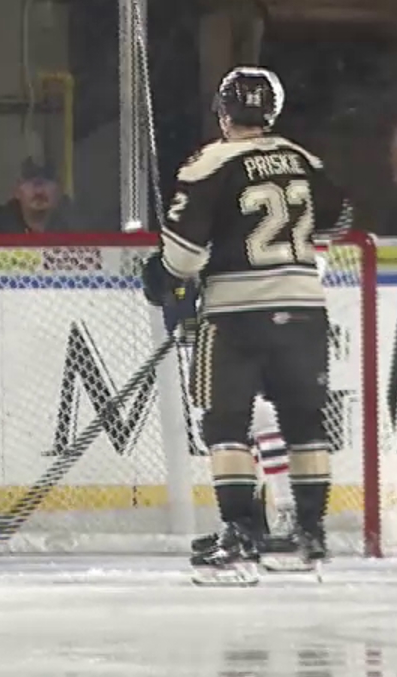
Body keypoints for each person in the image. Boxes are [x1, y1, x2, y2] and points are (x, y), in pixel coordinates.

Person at [144, 67, 349, 583]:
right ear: (272, 112)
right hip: (305, 310)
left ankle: (240, 535)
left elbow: (184, 257)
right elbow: (339, 217)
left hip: (236, 315)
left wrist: (166, 273)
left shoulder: (210, 162)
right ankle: (310, 537)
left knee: (225, 424)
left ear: (223, 111)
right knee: (304, 423)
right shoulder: (304, 159)